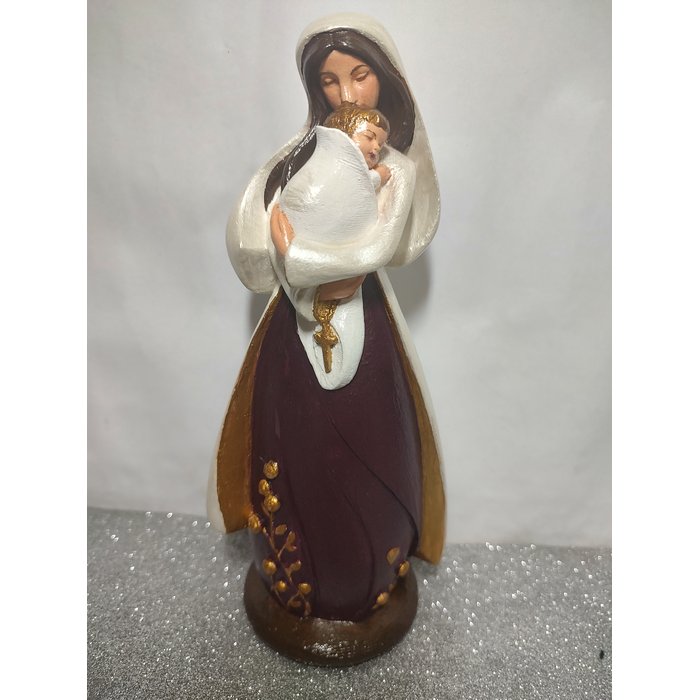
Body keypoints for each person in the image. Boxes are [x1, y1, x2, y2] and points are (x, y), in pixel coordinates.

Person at [208, 13, 445, 623]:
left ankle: (370, 580)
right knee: (295, 449)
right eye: (330, 81)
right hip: (294, 331)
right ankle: (297, 584)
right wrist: (282, 251)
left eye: (360, 76)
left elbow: (375, 251)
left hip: (365, 320)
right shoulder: (303, 158)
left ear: (385, 78)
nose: (345, 94)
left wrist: (299, 259)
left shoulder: (397, 170)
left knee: (374, 445)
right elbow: (257, 241)